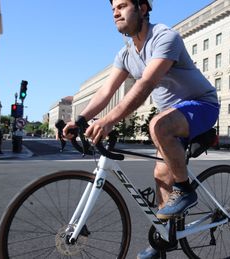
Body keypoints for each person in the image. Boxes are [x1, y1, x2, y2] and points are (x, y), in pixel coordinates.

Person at [63, 0, 219, 257]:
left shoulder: (165, 37)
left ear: (143, 8)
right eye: (113, 8)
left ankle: (186, 190)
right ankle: (163, 240)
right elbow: (106, 91)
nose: (116, 12)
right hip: (171, 117)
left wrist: (109, 120)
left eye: (123, 5)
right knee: (160, 174)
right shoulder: (125, 55)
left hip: (202, 105)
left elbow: (146, 84)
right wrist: (80, 121)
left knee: (157, 124)